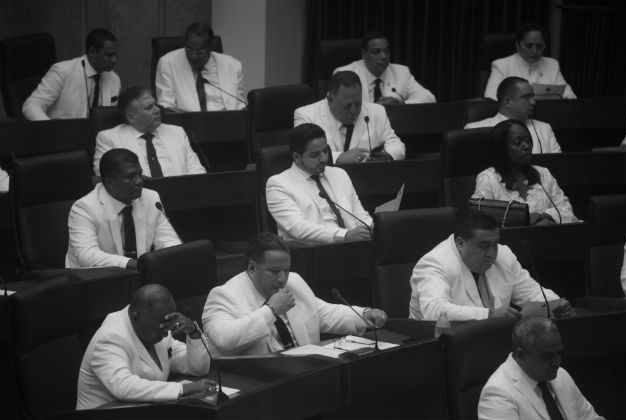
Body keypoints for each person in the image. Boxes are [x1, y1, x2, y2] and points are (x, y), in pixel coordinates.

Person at [202, 233, 387, 356]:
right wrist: (271, 310)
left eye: (286, 270)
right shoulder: (224, 296)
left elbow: (322, 313)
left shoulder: (294, 282)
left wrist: (364, 314)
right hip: (258, 383)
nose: (282, 279)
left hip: (303, 371)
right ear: (251, 268)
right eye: (274, 271)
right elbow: (225, 340)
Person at [409, 210, 572, 321]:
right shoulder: (435, 263)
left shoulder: (504, 255)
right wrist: (489, 315)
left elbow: (531, 291)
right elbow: (434, 311)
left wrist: (555, 304)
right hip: (441, 344)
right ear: (460, 243)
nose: (492, 253)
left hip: (493, 339)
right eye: (483, 245)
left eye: (495, 244)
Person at [76, 284, 213, 410]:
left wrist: (194, 333)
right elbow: (124, 387)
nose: (166, 333)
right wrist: (185, 389)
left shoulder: (158, 329)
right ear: (135, 316)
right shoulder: (110, 337)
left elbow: (197, 368)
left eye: (168, 326)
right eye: (160, 328)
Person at [66, 149, 181, 270]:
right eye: (130, 176)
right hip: (96, 279)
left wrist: (175, 257)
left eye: (139, 174)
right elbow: (87, 256)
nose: (139, 181)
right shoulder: (84, 208)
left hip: (141, 276)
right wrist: (135, 265)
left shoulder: (151, 198)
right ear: (109, 182)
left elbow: (168, 240)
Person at [478, 316, 603, 420]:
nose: (557, 362)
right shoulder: (498, 394)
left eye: (559, 353)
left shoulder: (561, 375)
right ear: (521, 356)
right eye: (548, 356)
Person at [266, 123, 372, 243]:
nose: (324, 159)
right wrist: (345, 235)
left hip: (355, 247)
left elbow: (360, 215)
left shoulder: (339, 174)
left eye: (325, 151)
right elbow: (298, 228)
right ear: (296, 157)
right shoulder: (278, 184)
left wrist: (371, 228)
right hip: (312, 253)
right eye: (315, 155)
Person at [472, 119, 579, 225]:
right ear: (502, 148)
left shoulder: (543, 173)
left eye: (528, 140)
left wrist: (544, 217)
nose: (527, 146)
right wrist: (524, 220)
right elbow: (480, 220)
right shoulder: (488, 178)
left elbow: (567, 212)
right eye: (518, 142)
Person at [294, 70, 405, 164]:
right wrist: (339, 158)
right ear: (329, 99)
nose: (353, 111)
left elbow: (397, 145)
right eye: (346, 106)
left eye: (357, 104)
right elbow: (305, 153)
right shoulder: (306, 115)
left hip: (365, 179)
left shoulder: (377, 111)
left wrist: (386, 156)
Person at [93, 87, 207, 177]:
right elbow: (106, 177)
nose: (157, 110)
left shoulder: (177, 132)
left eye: (155, 104)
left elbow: (197, 170)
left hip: (181, 194)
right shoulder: (109, 138)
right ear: (131, 117)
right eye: (149, 108)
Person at [23, 28, 120, 120]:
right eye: (109, 55)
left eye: (116, 55)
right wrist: (50, 128)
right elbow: (31, 105)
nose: (114, 60)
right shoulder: (63, 71)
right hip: (62, 133)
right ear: (92, 52)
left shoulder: (114, 79)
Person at [156, 22, 245, 112]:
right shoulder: (168, 63)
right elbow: (166, 106)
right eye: (189, 51)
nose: (194, 56)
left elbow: (239, 105)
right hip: (186, 122)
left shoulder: (232, 66)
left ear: (210, 47)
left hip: (227, 121)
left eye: (200, 52)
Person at [333, 32, 435, 105]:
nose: (383, 57)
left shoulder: (401, 72)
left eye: (387, 51)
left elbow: (429, 98)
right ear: (364, 54)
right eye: (377, 52)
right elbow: (340, 106)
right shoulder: (345, 74)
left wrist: (401, 103)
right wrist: (376, 109)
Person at [466, 77, 561, 154]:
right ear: (507, 102)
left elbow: (558, 164)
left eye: (533, 97)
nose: (533, 102)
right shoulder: (475, 129)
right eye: (526, 97)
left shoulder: (544, 128)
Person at [484, 22, 577, 101]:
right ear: (517, 45)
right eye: (529, 46)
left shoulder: (552, 64)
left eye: (539, 46)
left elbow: (570, 97)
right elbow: (490, 97)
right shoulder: (501, 65)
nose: (534, 51)